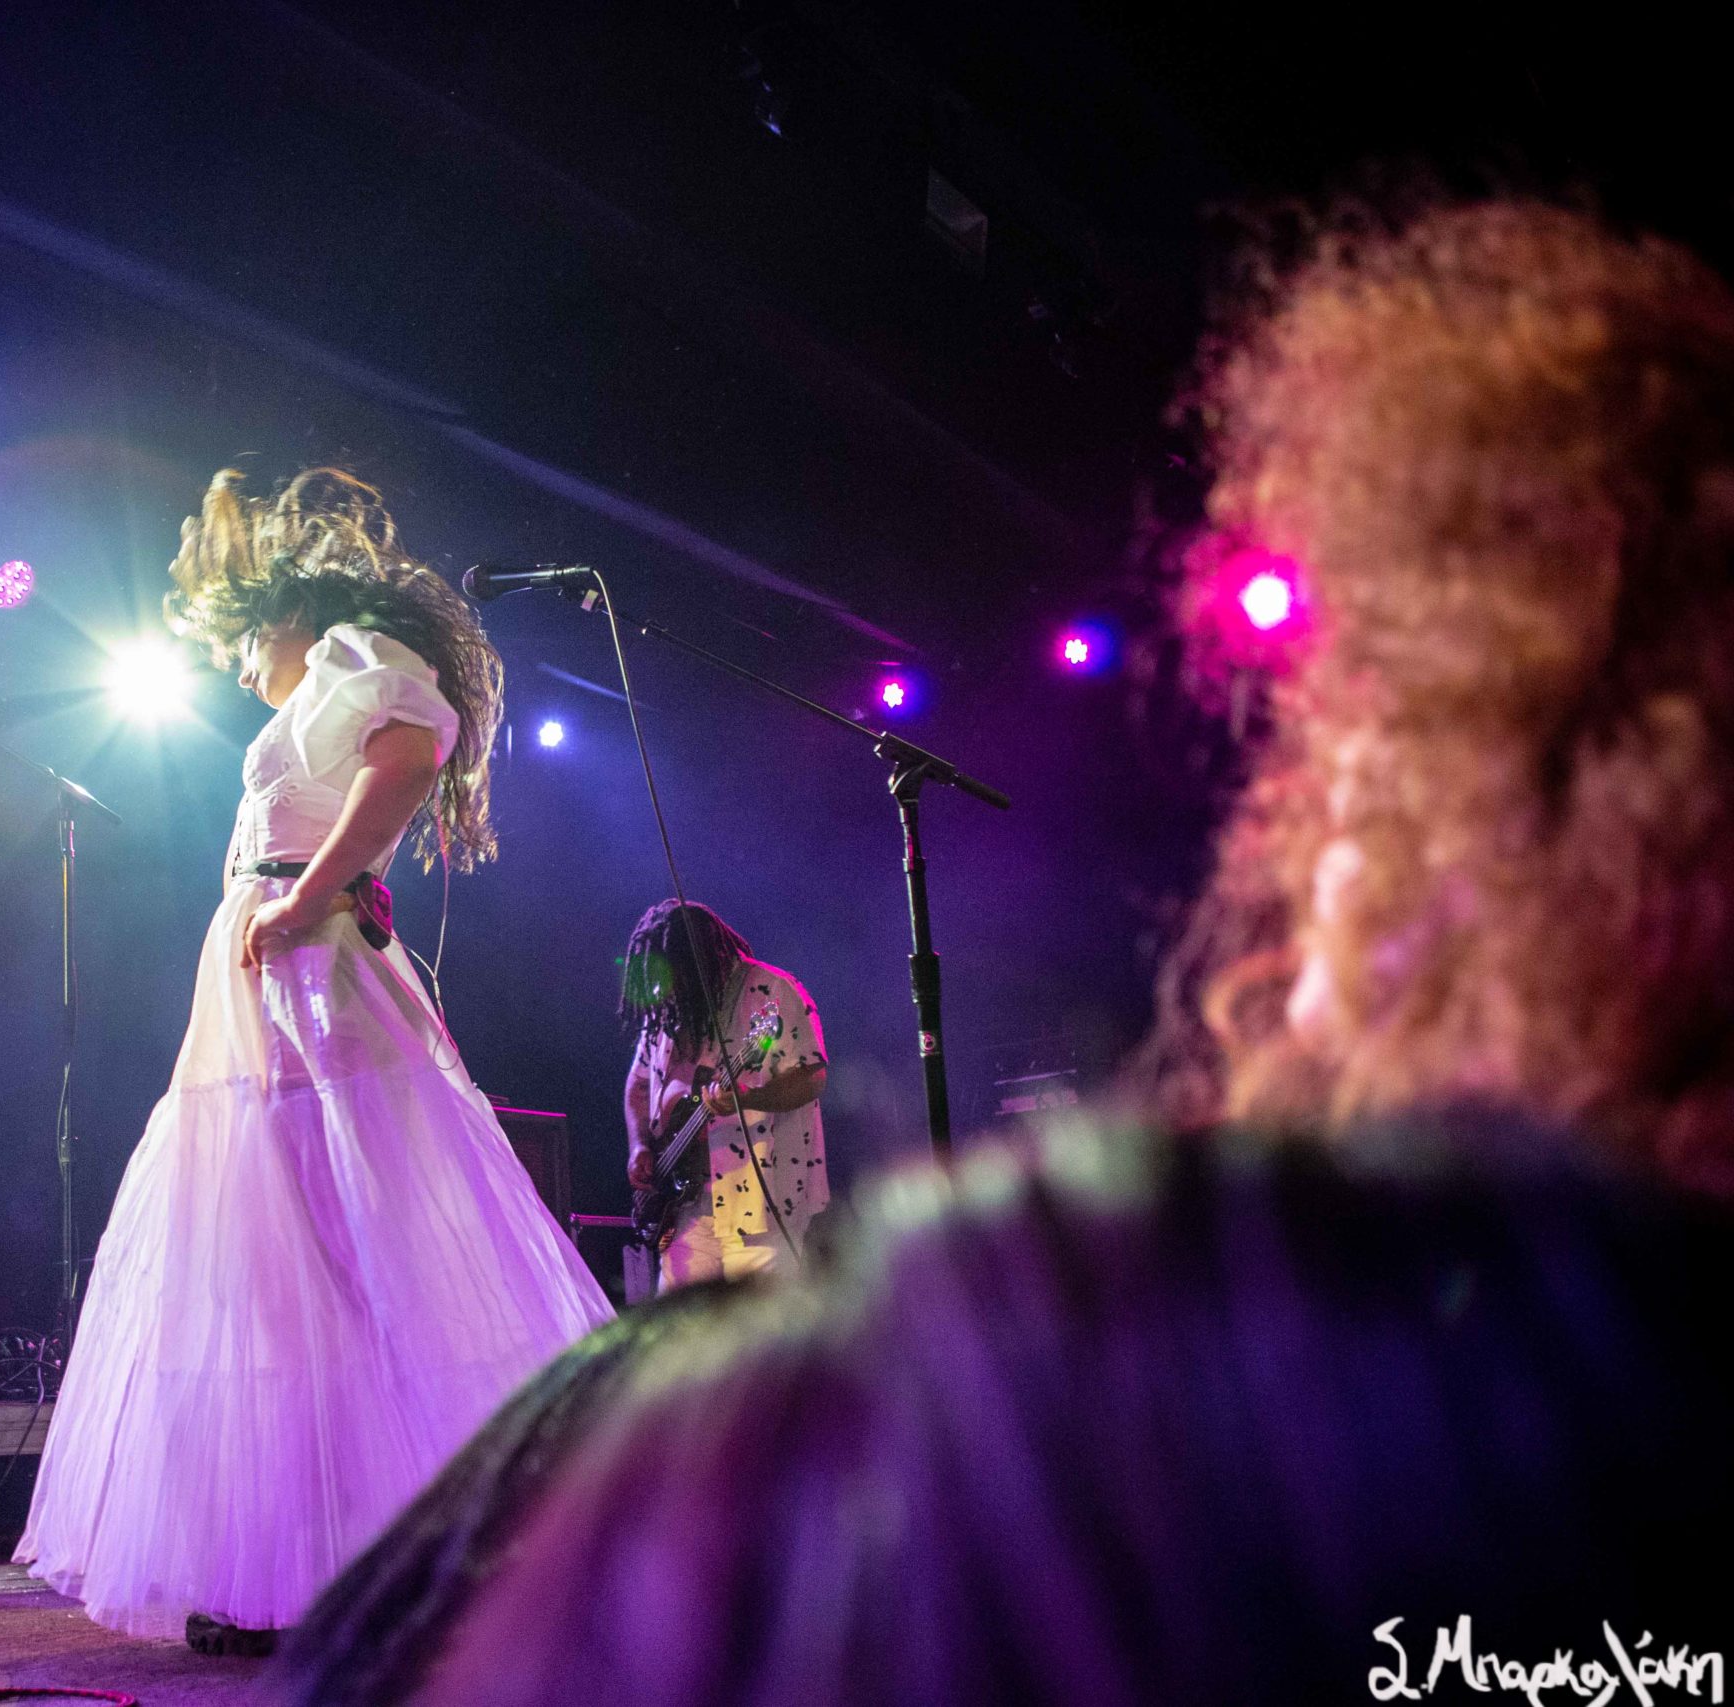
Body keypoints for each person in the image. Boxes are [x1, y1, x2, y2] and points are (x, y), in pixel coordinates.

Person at [329, 202, 1734, 1705]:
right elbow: (643, 1134)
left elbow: (800, 1082)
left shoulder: (1132, 1305)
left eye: (1336, 775)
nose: (1287, 861)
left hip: (771, 1209)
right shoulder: (1573, 1340)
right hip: (705, 1216)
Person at [15, 467, 612, 1652]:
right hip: (274, 983)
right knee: (291, 1276)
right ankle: (312, 1574)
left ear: (290, 614)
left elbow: (408, 757)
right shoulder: (310, 697)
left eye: (244, 640)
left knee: (345, 1251)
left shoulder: (348, 652)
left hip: (314, 976)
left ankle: (398, 1566)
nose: (240, 668)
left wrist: (305, 897)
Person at [621, 902, 828, 1288]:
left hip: (761, 1203)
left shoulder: (770, 992)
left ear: (699, 961)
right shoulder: (668, 1008)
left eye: (676, 974)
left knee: (758, 1324)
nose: (667, 988)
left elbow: (812, 1076)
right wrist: (640, 1146)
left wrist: (749, 1099)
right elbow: (639, 1083)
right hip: (684, 1208)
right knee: (682, 1322)